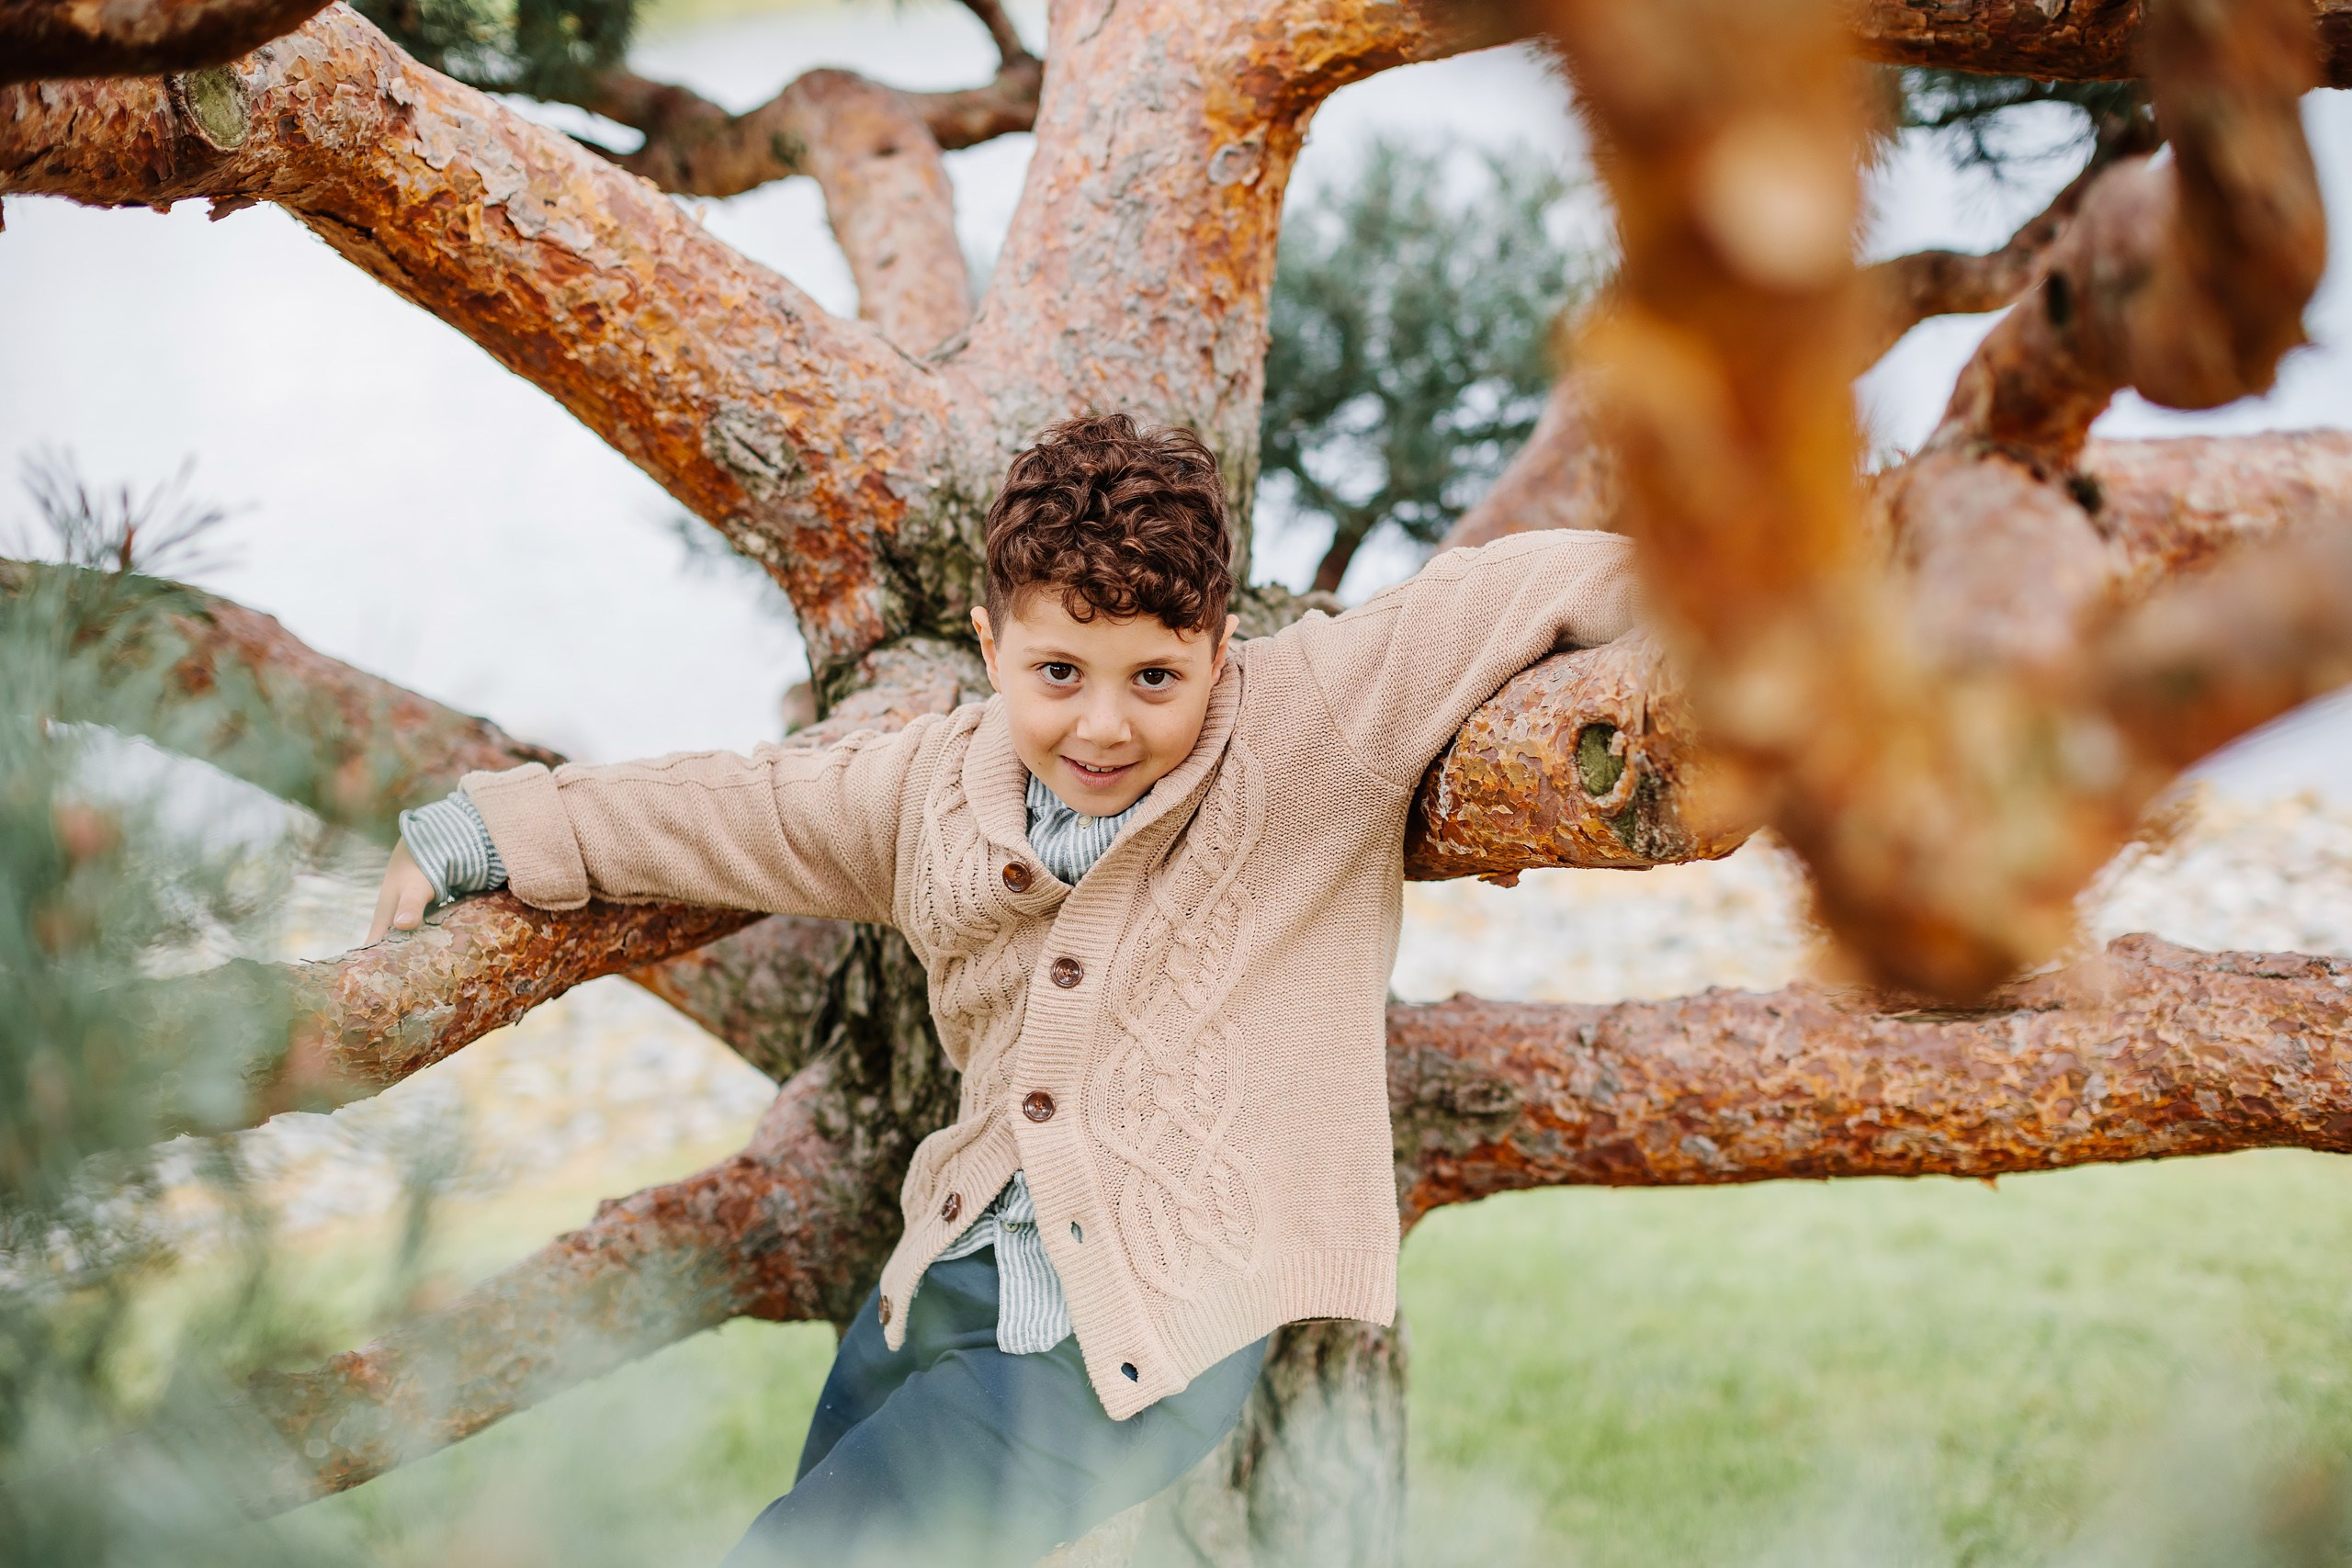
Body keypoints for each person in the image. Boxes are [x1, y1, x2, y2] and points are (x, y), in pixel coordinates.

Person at [368, 412, 1634, 1565]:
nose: (1104, 726)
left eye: (1155, 678)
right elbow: (738, 807)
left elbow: (1522, 584)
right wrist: (495, 826)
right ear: (991, 646)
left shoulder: (1311, 720)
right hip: (941, 1285)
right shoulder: (930, 789)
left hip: (1135, 1343)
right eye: (1059, 674)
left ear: (1217, 649)